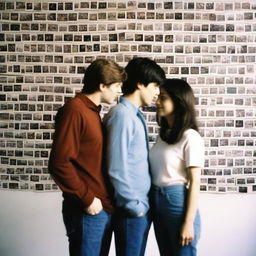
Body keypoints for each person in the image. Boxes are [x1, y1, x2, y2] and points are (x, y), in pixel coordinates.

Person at [48, 59, 126, 256]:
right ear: (102, 85)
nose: (119, 91)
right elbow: (59, 163)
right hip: (87, 211)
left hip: (101, 210)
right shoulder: (75, 110)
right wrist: (88, 199)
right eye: (116, 86)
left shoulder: (92, 112)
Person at [104, 57, 166, 256]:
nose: (158, 92)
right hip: (132, 209)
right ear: (140, 83)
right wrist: (135, 207)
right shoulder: (122, 115)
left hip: (140, 207)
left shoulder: (133, 114)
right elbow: (115, 166)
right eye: (155, 85)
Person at [149, 79, 204, 256]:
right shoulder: (162, 136)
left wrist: (188, 223)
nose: (157, 102)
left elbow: (195, 182)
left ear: (179, 101)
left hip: (177, 203)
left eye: (163, 98)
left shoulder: (191, 137)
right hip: (157, 202)